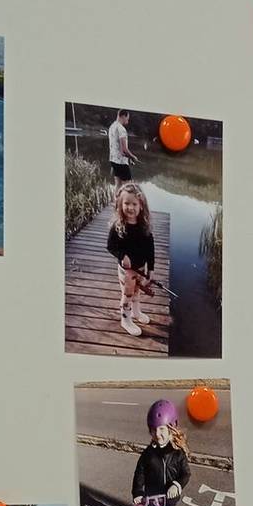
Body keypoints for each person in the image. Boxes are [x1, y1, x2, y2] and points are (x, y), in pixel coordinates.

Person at [131, 398, 190, 506]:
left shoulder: (178, 452)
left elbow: (186, 473)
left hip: (171, 497)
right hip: (153, 497)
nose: (157, 434)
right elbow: (139, 473)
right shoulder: (148, 454)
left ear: (172, 427)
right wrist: (138, 492)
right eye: (153, 430)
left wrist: (177, 484)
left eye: (162, 429)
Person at [104, 181, 156, 339]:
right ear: (120, 204)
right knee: (127, 294)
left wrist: (150, 269)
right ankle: (125, 320)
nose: (130, 207)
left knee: (137, 291)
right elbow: (110, 246)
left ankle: (136, 312)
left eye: (134, 204)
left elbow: (150, 250)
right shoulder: (118, 226)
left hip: (140, 269)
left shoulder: (144, 226)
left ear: (141, 205)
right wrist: (122, 256)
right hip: (126, 271)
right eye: (126, 203)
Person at [106, 107, 134, 182]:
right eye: (127, 118)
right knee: (128, 185)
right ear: (123, 116)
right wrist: (133, 157)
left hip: (113, 160)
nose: (128, 121)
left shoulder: (112, 127)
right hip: (121, 162)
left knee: (118, 184)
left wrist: (130, 157)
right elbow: (124, 150)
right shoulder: (121, 129)